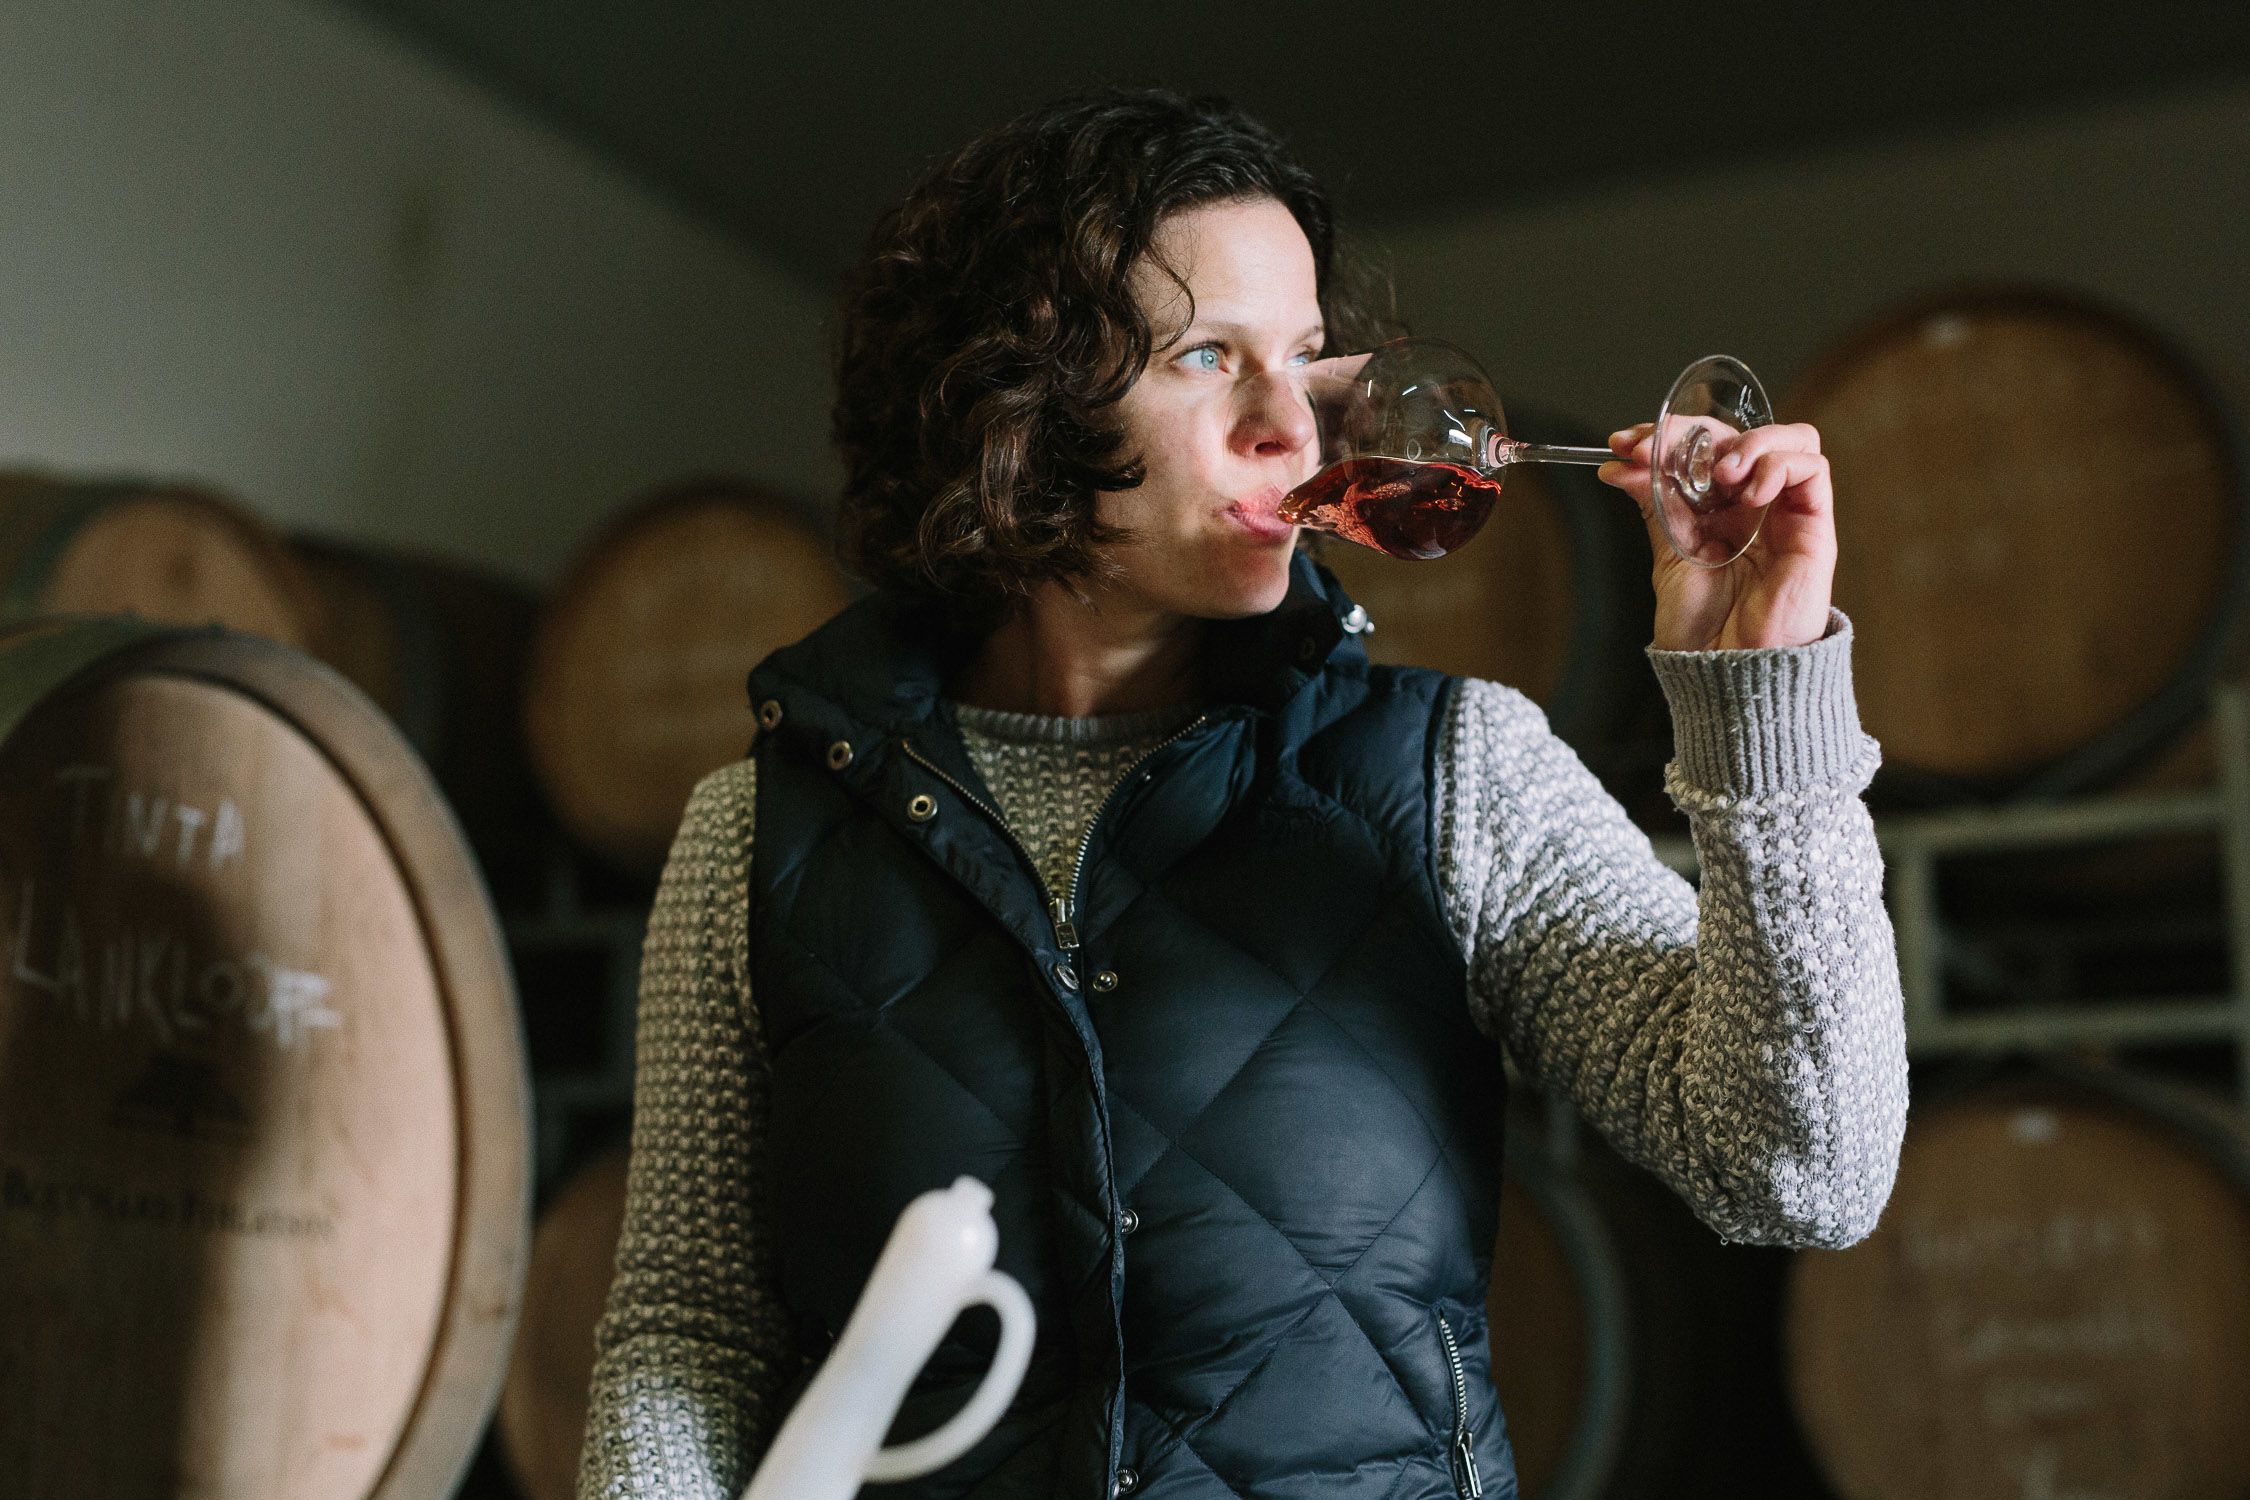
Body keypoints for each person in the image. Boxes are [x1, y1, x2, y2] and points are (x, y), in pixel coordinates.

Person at [576, 87, 1908, 1500]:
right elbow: (688, 1336)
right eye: (1208, 356)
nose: (1292, 426)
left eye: (1308, 357)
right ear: (1010, 405)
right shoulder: (762, 835)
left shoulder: (1454, 771)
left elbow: (1800, 1172)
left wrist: (1761, 701)